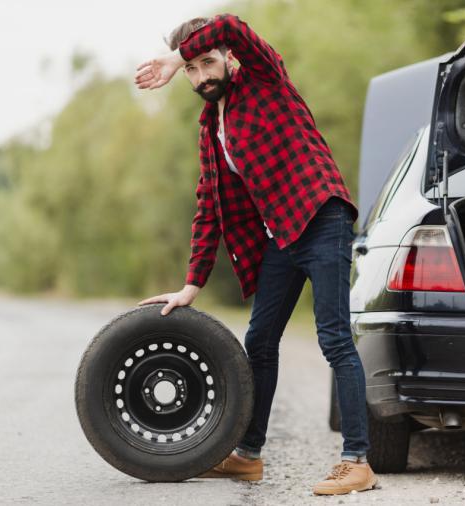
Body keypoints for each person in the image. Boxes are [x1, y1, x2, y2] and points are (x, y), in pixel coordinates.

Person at [134, 14, 375, 496]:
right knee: (259, 342)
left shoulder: (266, 79)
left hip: (321, 217)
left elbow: (230, 24)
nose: (202, 75)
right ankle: (247, 456)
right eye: (192, 69)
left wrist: (174, 55)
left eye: (207, 61)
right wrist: (191, 285)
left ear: (227, 57)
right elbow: (210, 206)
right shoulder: (210, 126)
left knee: (333, 339)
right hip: (281, 237)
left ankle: (357, 462)